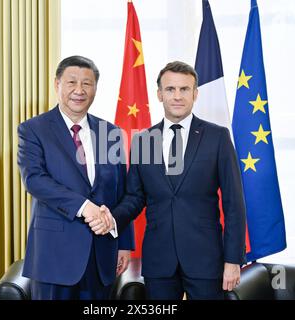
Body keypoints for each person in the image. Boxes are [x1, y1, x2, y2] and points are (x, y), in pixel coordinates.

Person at [87, 61, 246, 300]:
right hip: (159, 261)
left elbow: (235, 204)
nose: (177, 96)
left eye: (184, 89)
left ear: (195, 94)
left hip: (205, 259)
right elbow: (135, 197)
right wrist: (111, 218)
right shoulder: (143, 141)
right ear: (160, 94)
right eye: (170, 89)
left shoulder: (218, 137)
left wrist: (233, 259)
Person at [17, 55, 134, 300]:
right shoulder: (33, 129)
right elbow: (35, 180)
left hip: (101, 253)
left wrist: (123, 242)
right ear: (57, 84)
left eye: (87, 84)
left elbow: (121, 191)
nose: (79, 90)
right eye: (71, 82)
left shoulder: (110, 132)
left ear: (95, 89)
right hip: (54, 256)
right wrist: (84, 207)